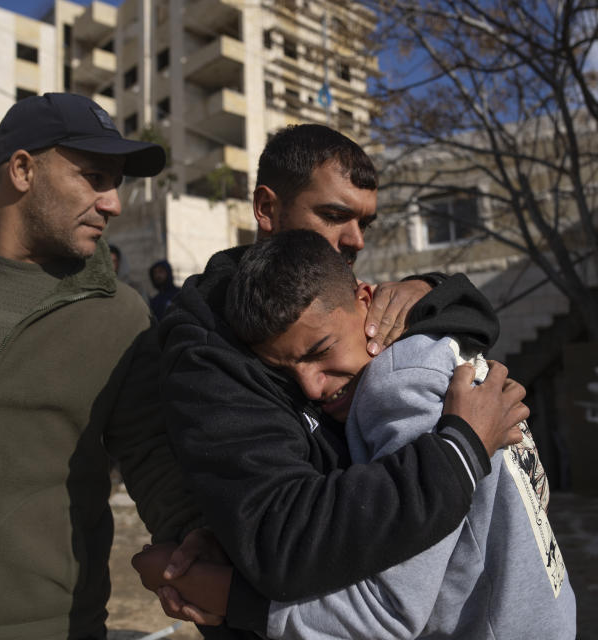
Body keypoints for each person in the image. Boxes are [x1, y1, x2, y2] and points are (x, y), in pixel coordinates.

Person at [158, 124, 529, 634]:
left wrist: (434, 290)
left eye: (365, 223)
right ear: (266, 209)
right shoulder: (210, 350)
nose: (354, 240)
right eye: (334, 216)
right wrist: (459, 451)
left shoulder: (367, 319)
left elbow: (474, 320)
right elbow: (281, 538)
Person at [0, 92, 199, 639]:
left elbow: (151, 455)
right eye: (94, 177)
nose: (113, 203)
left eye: (116, 183)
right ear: (22, 169)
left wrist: (195, 540)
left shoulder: (121, 316)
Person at [140, 229, 577, 638]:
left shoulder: (398, 384)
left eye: (321, 350)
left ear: (366, 298)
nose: (311, 386)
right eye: (286, 370)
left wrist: (226, 595)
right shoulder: (440, 347)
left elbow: (385, 612)